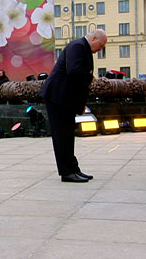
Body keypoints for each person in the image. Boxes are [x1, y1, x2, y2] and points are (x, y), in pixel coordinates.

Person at [39, 29, 107, 183]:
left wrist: (80, 103)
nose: (100, 50)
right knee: (62, 136)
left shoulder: (82, 47)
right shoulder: (78, 46)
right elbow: (74, 71)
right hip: (57, 97)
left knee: (68, 135)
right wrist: (90, 77)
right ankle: (67, 172)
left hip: (65, 99)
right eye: (101, 45)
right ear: (94, 38)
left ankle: (73, 168)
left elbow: (77, 81)